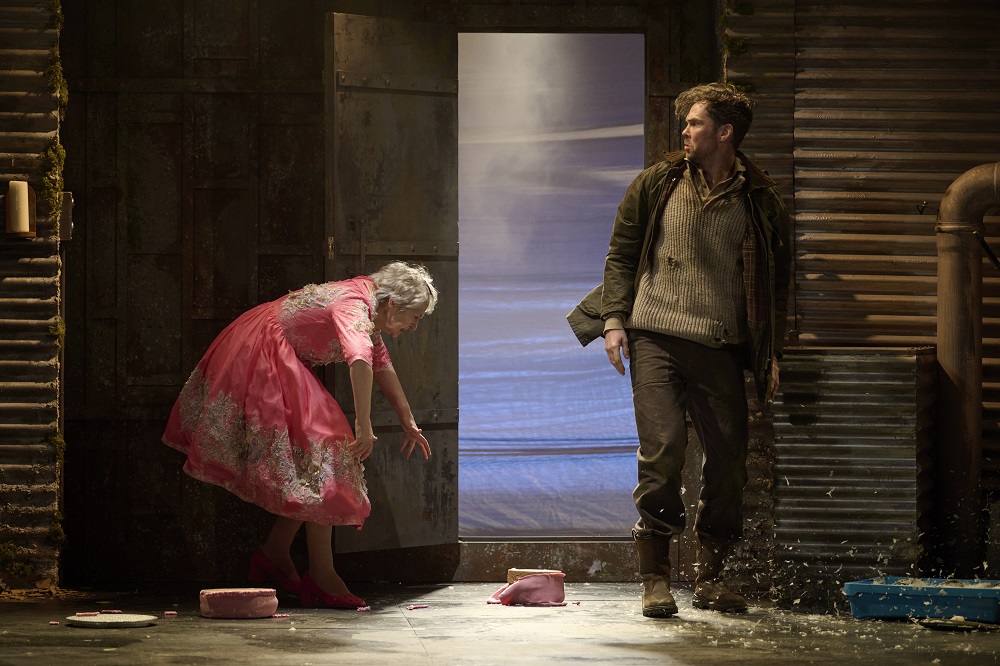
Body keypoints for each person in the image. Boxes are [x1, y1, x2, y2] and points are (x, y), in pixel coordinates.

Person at [569, 83, 790, 617]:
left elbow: (775, 283)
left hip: (720, 344)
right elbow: (622, 255)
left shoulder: (758, 199)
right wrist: (614, 322)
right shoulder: (659, 183)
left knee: (729, 464)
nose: (684, 131)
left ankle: (712, 577)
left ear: (725, 132)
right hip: (655, 336)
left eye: (695, 123)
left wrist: (771, 353)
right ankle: (655, 578)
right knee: (664, 451)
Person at [162, 261, 438, 608]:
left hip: (277, 351)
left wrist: (408, 421)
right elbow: (360, 360)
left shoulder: (368, 303)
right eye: (415, 317)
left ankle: (275, 553)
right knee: (328, 448)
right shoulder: (354, 304)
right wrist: (363, 425)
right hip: (262, 349)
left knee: (310, 457)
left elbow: (379, 361)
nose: (414, 326)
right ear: (393, 304)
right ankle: (321, 574)